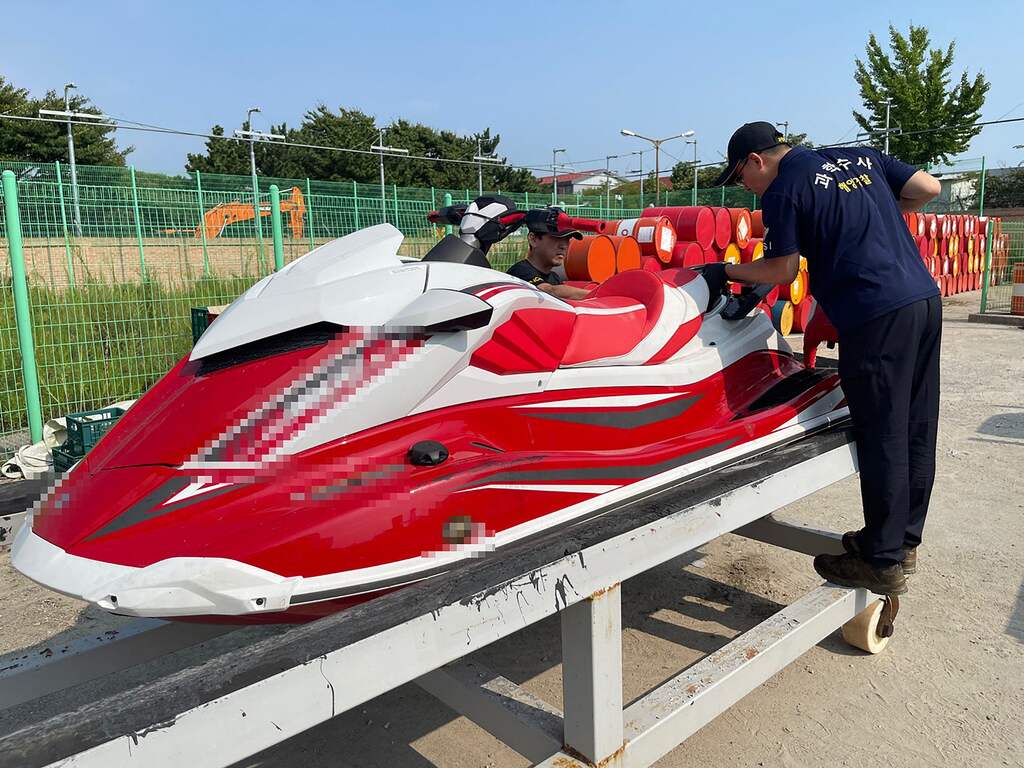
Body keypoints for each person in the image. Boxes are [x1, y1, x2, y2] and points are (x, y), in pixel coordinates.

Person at [706, 121, 942, 596]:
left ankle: (880, 559)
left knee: (883, 431)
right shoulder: (859, 156)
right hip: (922, 300)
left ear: (757, 160)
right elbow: (928, 188)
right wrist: (870, 214)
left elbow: (781, 268)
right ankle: (902, 542)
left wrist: (722, 269)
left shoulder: (785, 188)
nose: (746, 190)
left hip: (874, 313)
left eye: (741, 179)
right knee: (917, 424)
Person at [507, 209, 592, 300]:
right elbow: (549, 291)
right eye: (556, 238)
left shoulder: (554, 278)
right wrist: (598, 295)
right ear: (533, 240)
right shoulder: (520, 272)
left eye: (567, 239)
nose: (564, 246)